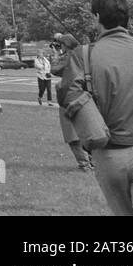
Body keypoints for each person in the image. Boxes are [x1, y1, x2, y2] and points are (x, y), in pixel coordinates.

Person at [60, 0, 133, 216]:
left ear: (96, 18)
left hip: (108, 153)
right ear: (127, 19)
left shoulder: (83, 54)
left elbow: (66, 93)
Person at [52, 34, 94, 172]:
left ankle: (85, 164)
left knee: (72, 135)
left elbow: (55, 70)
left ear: (65, 45)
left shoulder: (69, 57)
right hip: (85, 96)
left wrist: (56, 55)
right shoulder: (84, 54)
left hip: (69, 97)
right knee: (87, 131)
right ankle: (93, 162)